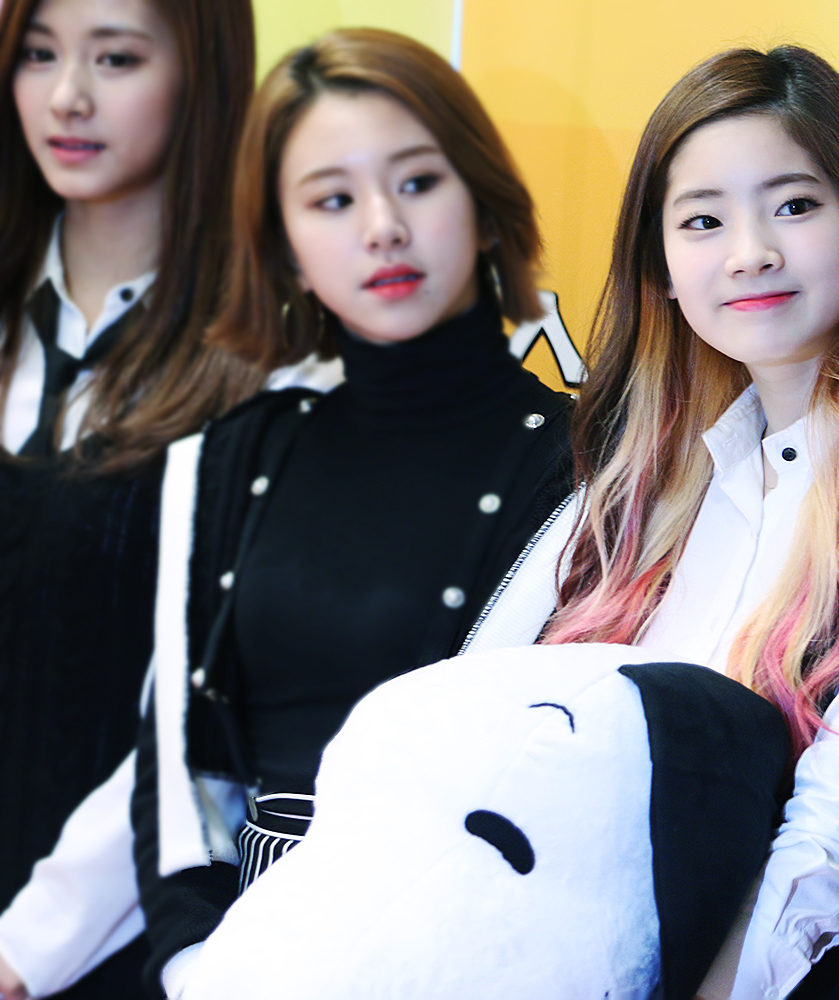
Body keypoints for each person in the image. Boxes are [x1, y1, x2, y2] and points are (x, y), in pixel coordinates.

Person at [183, 43, 839, 1000]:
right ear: (661, 267)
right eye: (703, 220)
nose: (751, 251)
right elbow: (471, 734)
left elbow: (832, 832)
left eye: (794, 205)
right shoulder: (629, 492)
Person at [1, 27, 575, 999]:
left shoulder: (590, 466)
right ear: (286, 248)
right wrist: (201, 967)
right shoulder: (234, 453)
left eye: (418, 182)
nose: (382, 228)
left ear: (484, 203)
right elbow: (183, 776)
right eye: (332, 200)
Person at [0, 0, 261, 996]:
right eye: (37, 54)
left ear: (201, 75)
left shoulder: (271, 367)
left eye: (114, 58)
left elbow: (203, 728)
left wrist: (27, 947)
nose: (66, 96)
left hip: (116, 940)